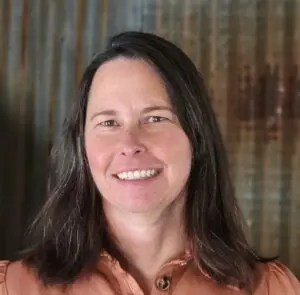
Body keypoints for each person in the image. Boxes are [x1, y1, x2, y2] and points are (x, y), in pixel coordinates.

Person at [0, 31, 299, 295]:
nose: (130, 144)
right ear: (82, 146)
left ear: (196, 137)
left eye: (155, 118)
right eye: (108, 123)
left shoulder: (271, 289)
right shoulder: (12, 287)